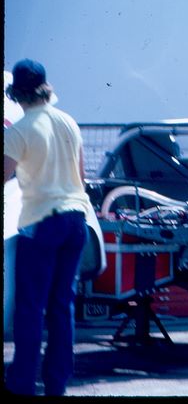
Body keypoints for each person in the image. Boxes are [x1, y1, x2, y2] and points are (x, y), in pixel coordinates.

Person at [3, 59, 93, 396]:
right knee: (61, 304)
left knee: (30, 307)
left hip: (42, 222)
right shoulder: (68, 122)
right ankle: (57, 383)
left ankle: (22, 383)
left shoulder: (19, 131)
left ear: (16, 95)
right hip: (76, 219)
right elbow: (81, 176)